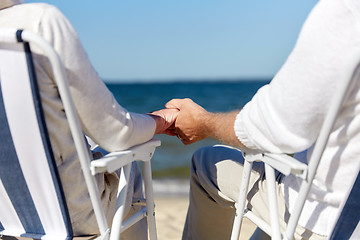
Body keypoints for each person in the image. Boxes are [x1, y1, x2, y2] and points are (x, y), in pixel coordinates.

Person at [166, 0, 360, 239]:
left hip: (326, 218)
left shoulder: (346, 12)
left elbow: (277, 126)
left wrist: (204, 123)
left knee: (206, 163)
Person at [0, 0, 178, 238]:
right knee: (130, 171)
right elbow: (118, 133)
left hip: (7, 216)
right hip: (74, 211)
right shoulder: (38, 22)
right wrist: (160, 120)